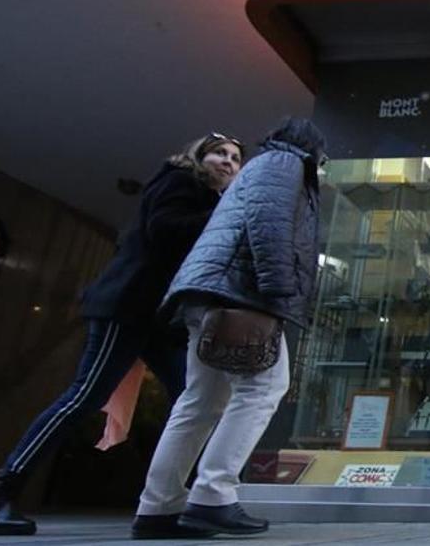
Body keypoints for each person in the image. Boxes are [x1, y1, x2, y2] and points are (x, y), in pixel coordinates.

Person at [0, 134, 243, 537]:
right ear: (198, 156)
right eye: (219, 153)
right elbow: (165, 231)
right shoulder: (178, 181)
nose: (228, 161)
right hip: (128, 307)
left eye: (235, 158)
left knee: (193, 402)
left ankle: (169, 505)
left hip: (159, 318)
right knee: (85, 397)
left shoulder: (207, 200)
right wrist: (224, 213)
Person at [133, 117, 325, 538]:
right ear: (312, 149)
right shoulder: (284, 164)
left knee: (200, 400)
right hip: (241, 294)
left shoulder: (264, 164)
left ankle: (157, 507)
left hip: (210, 293)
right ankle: (213, 495)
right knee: (264, 386)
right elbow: (270, 225)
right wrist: (278, 291)